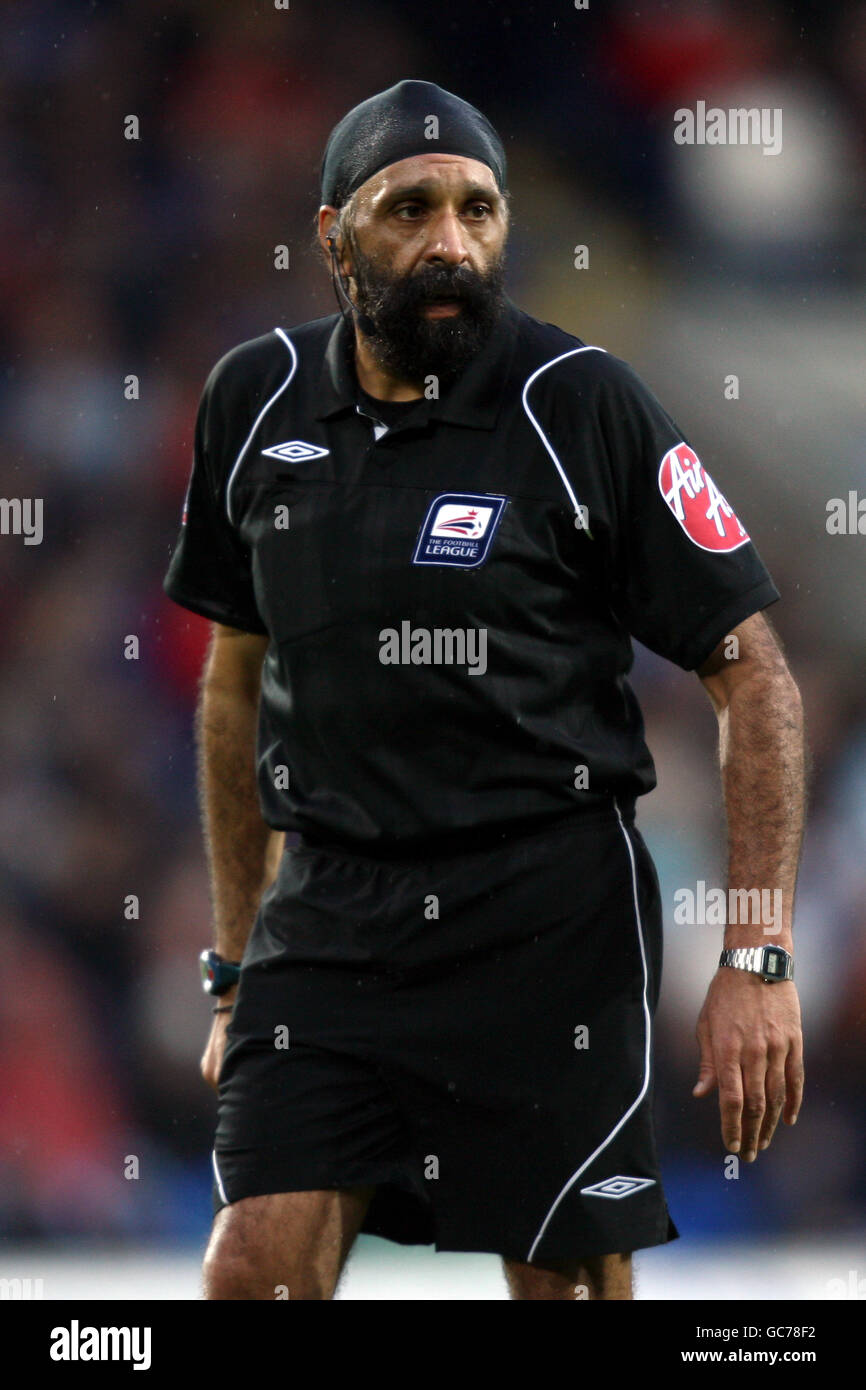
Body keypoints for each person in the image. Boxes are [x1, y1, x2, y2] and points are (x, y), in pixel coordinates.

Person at [163, 80, 805, 1301]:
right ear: (332, 238)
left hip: (544, 914)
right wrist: (236, 965)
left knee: (558, 1291)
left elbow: (753, 676)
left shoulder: (581, 403)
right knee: (249, 1271)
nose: (449, 242)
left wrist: (756, 955)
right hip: (334, 915)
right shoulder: (251, 403)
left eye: (476, 208)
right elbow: (232, 688)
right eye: (408, 209)